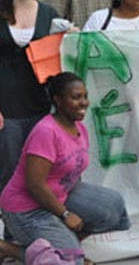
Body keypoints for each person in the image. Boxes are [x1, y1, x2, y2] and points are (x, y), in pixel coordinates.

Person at [0, 72, 130, 264]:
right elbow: (34, 184)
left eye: (85, 96)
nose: (84, 102)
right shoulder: (46, 132)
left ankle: (65, 244)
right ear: (58, 101)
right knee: (72, 261)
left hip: (56, 198)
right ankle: (8, 249)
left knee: (114, 206)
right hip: (25, 211)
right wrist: (65, 214)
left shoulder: (79, 128)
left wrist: (73, 213)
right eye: (76, 97)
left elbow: (72, 171)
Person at [0, 0, 59, 238]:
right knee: (9, 173)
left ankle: (40, 233)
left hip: (41, 104)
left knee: (40, 174)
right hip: (6, 107)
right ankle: (12, 236)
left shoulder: (49, 14)